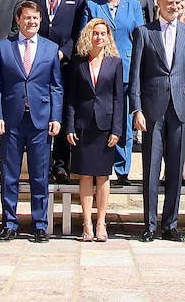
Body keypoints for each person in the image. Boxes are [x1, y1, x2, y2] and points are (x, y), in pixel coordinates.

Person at [129, 0, 185, 242]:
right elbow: (136, 73)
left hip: (181, 109)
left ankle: (170, 224)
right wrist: (136, 108)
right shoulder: (144, 32)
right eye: (170, 2)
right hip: (152, 109)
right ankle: (150, 225)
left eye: (180, 3)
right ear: (159, 3)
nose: (175, 7)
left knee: (175, 169)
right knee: (150, 169)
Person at [0, 2, 62, 242]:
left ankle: (40, 223)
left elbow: (56, 87)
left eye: (36, 19)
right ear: (18, 19)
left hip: (40, 120)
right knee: (9, 174)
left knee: (39, 174)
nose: (32, 22)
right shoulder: (3, 47)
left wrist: (56, 117)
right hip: (11, 120)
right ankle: (9, 223)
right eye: (28, 18)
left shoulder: (50, 49)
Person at [28, 0, 90, 182]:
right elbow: (30, 27)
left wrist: (64, 53)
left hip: (65, 65)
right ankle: (42, 162)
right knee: (40, 111)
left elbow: (79, 31)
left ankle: (62, 164)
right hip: (38, 64)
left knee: (63, 113)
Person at [64, 18, 126, 241]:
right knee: (85, 176)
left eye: (103, 33)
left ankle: (101, 222)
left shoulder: (115, 63)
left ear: (108, 37)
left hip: (105, 126)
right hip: (83, 125)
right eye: (95, 33)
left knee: (102, 176)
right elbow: (71, 97)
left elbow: (119, 99)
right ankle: (87, 223)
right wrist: (69, 125)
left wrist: (116, 129)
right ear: (88, 36)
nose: (99, 37)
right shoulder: (78, 62)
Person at [84, 0, 145, 183]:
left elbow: (140, 37)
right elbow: (85, 36)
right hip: (100, 70)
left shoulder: (134, 5)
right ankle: (100, 165)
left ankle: (122, 168)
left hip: (126, 69)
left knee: (124, 122)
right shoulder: (92, 6)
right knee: (99, 119)